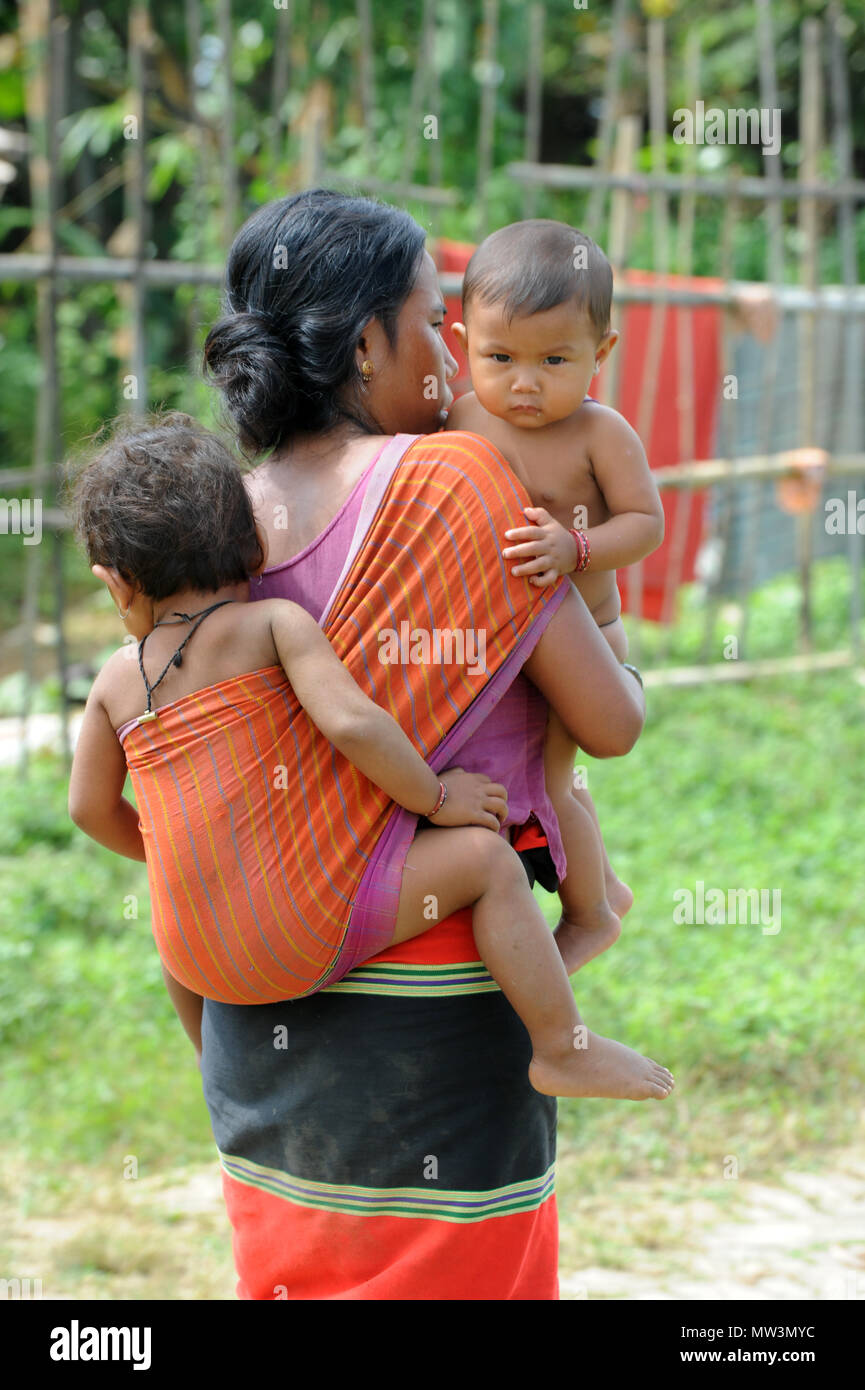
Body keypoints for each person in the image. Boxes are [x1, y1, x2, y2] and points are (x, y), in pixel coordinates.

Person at [80, 189, 658, 1300]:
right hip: (431, 1011)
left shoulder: (215, 527)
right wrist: (612, 620)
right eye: (435, 322)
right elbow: (611, 724)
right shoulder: (456, 484)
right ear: (363, 345)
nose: (452, 353)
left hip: (255, 1028)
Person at [67, 412, 674, 1103]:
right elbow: (355, 725)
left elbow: (87, 808)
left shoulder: (114, 680)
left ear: (114, 583)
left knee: (170, 905)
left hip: (196, 961)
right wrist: (439, 799)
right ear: (250, 548)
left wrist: (186, 857)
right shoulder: (272, 625)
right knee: (489, 864)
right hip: (303, 937)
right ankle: (562, 1047)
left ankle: (219, 1071)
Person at [447, 220, 666, 974]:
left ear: (599, 355)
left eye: (554, 360)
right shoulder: (459, 415)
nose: (525, 382)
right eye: (499, 357)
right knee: (532, 773)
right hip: (506, 646)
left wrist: (575, 548)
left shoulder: (599, 435)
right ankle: (598, 877)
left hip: (584, 642)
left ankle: (590, 915)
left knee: (548, 777)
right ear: (461, 343)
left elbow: (644, 525)